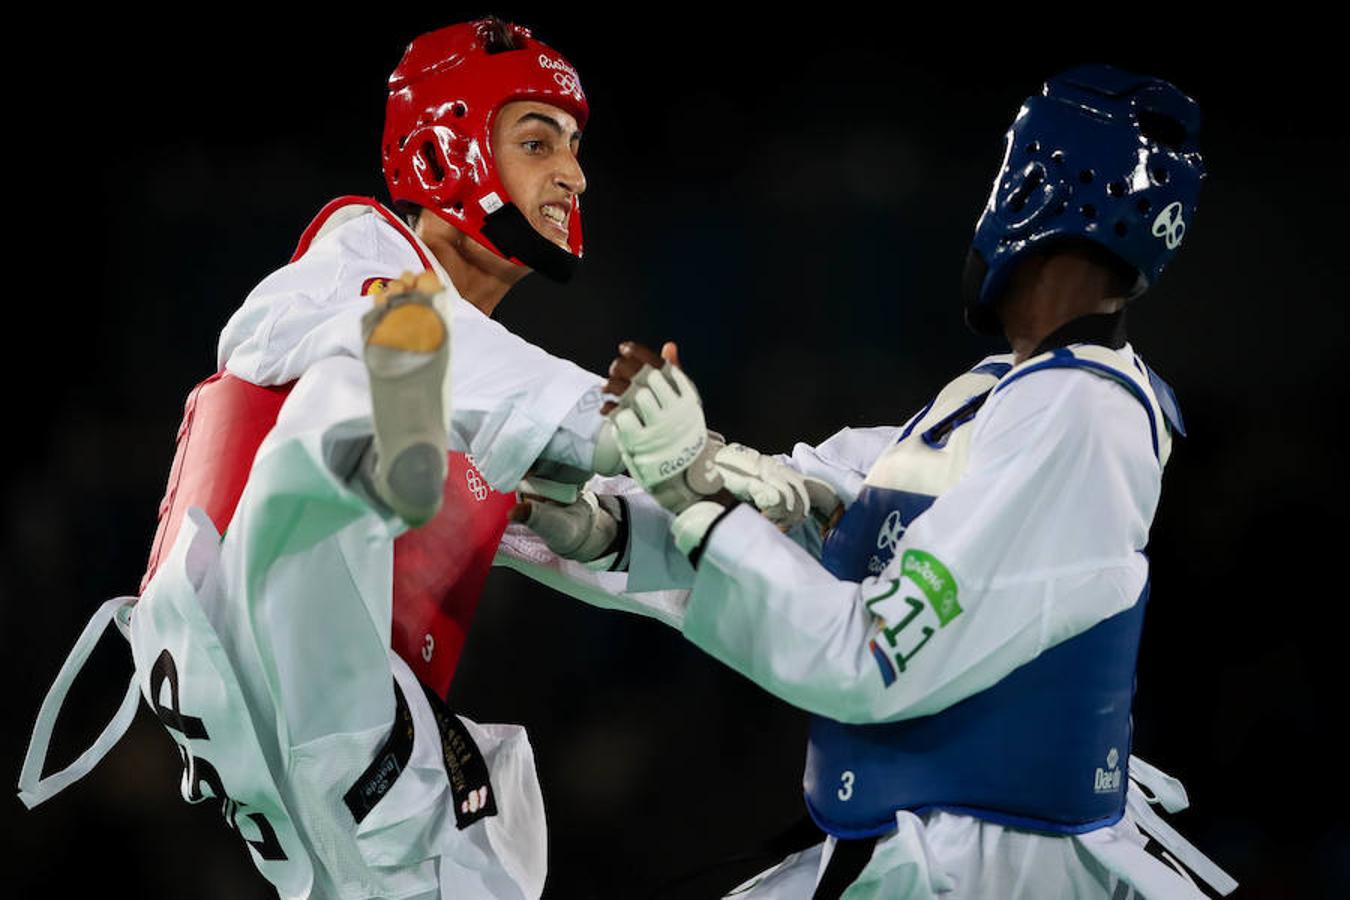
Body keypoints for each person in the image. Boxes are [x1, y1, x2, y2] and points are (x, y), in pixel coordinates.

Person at [18, 17, 809, 898]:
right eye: (539, 141)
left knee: (453, 452)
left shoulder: (480, 396)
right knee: (348, 398)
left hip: (364, 778)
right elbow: (426, 345)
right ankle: (385, 459)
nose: (575, 175)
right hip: (273, 676)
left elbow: (615, 540)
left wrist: (758, 518)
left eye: (577, 148)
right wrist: (616, 424)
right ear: (445, 153)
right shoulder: (341, 269)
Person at [525, 65, 1238, 898]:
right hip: (907, 849)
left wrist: (691, 495)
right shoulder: (994, 396)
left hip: (999, 873)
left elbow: (867, 657)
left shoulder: (1083, 417)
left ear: (1033, 187)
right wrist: (606, 528)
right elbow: (809, 503)